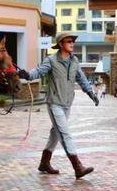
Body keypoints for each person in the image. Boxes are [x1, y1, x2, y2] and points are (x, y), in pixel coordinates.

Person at [18, 32, 99, 179]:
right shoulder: (51, 60)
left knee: (56, 133)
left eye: (72, 41)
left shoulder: (74, 61)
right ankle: (77, 166)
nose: (72, 44)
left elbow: (82, 79)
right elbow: (39, 71)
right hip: (54, 103)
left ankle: (44, 163)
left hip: (67, 103)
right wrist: (28, 75)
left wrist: (91, 94)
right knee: (64, 133)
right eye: (68, 41)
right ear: (61, 44)